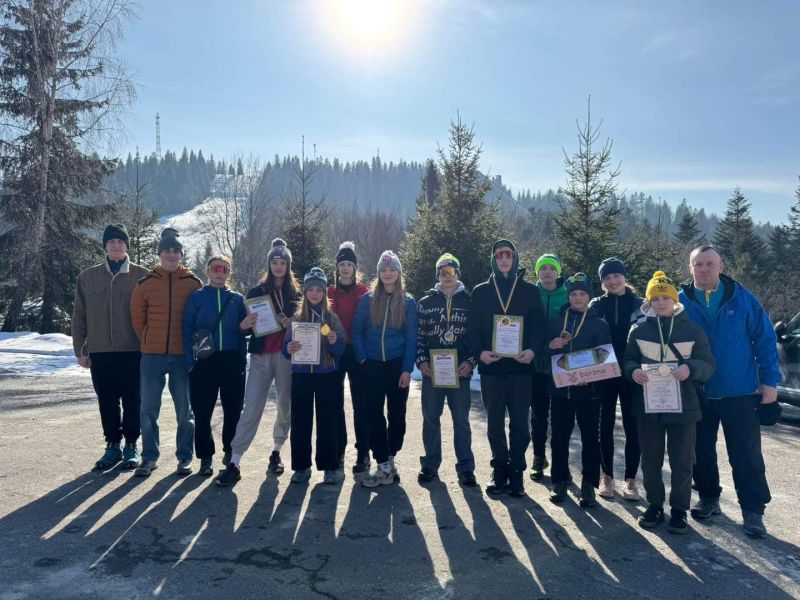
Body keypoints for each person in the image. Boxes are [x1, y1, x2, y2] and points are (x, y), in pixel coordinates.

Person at [679, 246, 781, 538]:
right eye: (698, 264)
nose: (704, 269)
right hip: (698, 390)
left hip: (740, 390)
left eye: (710, 263)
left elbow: (765, 340)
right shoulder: (680, 301)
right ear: (690, 268)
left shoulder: (742, 298)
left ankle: (753, 510)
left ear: (721, 265)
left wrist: (770, 383)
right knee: (700, 450)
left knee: (746, 454)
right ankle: (709, 498)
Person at [624, 271, 715, 534]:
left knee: (682, 461)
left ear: (675, 300)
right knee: (650, 460)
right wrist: (632, 372)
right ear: (649, 303)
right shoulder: (638, 331)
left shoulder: (693, 330)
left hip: (684, 407)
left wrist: (690, 369)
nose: (661, 302)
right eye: (655, 298)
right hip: (648, 406)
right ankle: (654, 505)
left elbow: (709, 365)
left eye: (666, 297)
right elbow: (627, 360)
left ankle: (679, 509)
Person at [216, 239, 301, 486]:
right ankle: (235, 461)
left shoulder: (296, 294)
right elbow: (242, 328)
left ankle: (276, 451)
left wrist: (292, 325)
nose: (278, 266)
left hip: (286, 358)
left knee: (285, 405)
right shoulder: (255, 292)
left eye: (282, 262)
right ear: (269, 264)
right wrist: (244, 326)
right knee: (252, 407)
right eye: (274, 262)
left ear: (288, 265)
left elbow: (307, 327)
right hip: (261, 356)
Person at [468, 239, 545, 497]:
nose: (504, 260)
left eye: (508, 255)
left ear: (515, 259)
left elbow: (538, 327)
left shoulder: (529, 291)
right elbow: (473, 329)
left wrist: (533, 350)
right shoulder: (480, 292)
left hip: (521, 368)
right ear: (493, 259)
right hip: (492, 368)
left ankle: (517, 472)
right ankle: (499, 468)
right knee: (494, 423)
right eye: (499, 255)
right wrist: (480, 353)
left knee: (520, 423)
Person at [72, 224, 149, 470]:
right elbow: (79, 316)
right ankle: (112, 446)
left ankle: (130, 446)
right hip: (100, 351)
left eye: (121, 241)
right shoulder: (88, 276)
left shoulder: (142, 275)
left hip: (133, 351)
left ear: (127, 246)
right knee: (107, 401)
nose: (116, 245)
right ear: (105, 245)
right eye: (111, 241)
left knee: (133, 400)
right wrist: (80, 351)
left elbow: (151, 314)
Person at [130, 227, 202, 477]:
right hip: (152, 356)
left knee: (185, 409)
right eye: (167, 250)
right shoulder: (145, 284)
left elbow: (198, 320)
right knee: (148, 409)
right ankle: (149, 457)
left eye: (176, 250)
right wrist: (150, 341)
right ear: (160, 254)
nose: (171, 254)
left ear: (181, 254)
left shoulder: (194, 284)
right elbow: (138, 320)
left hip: (182, 356)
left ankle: (184, 457)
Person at [352, 250, 417, 488]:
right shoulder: (368, 300)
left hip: (396, 365)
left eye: (392, 269)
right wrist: (362, 359)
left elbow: (411, 338)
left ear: (398, 273)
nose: (388, 273)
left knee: (397, 415)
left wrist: (407, 369)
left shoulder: (408, 302)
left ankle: (391, 455)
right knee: (373, 414)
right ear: (378, 273)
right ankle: (382, 464)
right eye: (384, 269)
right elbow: (357, 331)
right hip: (371, 364)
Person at [547, 273, 611, 508]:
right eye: (573, 294)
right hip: (561, 391)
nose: (577, 298)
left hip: (589, 392)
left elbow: (605, 355)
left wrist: (590, 376)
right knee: (559, 438)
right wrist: (550, 345)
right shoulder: (556, 320)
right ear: (568, 296)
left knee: (590, 439)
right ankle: (560, 480)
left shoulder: (598, 323)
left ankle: (588, 485)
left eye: (582, 293)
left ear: (589, 296)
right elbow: (544, 349)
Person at [182, 255, 248, 476]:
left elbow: (244, 330)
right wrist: (190, 363)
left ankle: (230, 453)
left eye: (225, 269)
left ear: (230, 273)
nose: (220, 272)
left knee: (233, 411)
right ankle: (205, 457)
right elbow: (186, 329)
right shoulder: (197, 297)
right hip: (204, 361)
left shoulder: (238, 299)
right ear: (208, 271)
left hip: (231, 361)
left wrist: (241, 358)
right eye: (216, 269)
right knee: (202, 412)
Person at [416, 253, 476, 486]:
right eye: (443, 272)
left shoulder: (469, 302)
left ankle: (466, 467)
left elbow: (476, 337)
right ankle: (430, 465)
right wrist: (421, 361)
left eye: (451, 272)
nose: (447, 276)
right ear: (438, 275)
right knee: (431, 418)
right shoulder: (425, 303)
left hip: (460, 372)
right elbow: (419, 337)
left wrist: (470, 362)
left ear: (457, 274)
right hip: (433, 371)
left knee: (461, 420)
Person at [284, 267, 346, 484]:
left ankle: (329, 466)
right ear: (305, 292)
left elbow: (340, 350)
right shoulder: (297, 318)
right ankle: (301, 467)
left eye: (319, 289)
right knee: (300, 420)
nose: (314, 293)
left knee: (327, 420)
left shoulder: (331, 318)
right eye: (310, 288)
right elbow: (286, 348)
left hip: (326, 375)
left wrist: (334, 341)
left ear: (324, 292)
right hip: (301, 374)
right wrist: (290, 347)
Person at [590, 257, 645, 500]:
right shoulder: (596, 304)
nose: (612, 281)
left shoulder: (641, 304)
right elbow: (586, 333)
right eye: (607, 277)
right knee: (605, 425)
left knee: (634, 426)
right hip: (604, 372)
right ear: (602, 282)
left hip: (633, 371)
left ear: (624, 276)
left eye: (616, 276)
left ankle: (631, 479)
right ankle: (607, 476)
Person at [328, 242, 370, 474]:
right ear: (337, 268)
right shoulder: (328, 292)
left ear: (355, 268)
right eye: (342, 264)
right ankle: (338, 450)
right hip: (335, 351)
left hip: (357, 352)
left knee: (360, 403)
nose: (345, 268)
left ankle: (363, 452)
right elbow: (321, 321)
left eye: (349, 265)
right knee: (335, 403)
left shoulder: (363, 291)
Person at [529, 253, 569, 482]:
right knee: (538, 414)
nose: (547, 272)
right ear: (538, 272)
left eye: (551, 268)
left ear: (557, 271)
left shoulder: (569, 295)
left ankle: (560, 461)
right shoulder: (531, 294)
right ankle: (538, 457)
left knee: (560, 416)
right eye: (542, 268)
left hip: (561, 365)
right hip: (536, 364)